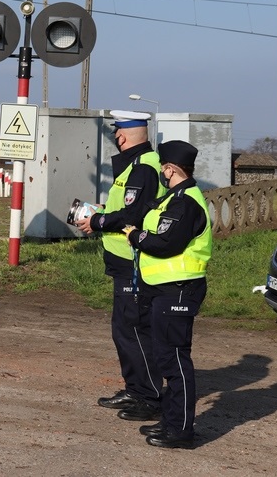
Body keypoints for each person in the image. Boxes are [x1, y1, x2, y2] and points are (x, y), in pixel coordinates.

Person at [74, 110, 165, 422]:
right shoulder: (142, 166)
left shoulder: (142, 169)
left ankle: (148, 398)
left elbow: (131, 216)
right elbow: (127, 208)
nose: (116, 137)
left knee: (134, 330)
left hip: (134, 263)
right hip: (127, 261)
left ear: (121, 136)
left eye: (116, 133)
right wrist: (102, 211)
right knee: (126, 329)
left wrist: (97, 221)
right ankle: (137, 389)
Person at [123, 139, 211, 450]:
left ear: (171, 169)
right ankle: (172, 421)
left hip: (178, 291)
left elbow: (163, 243)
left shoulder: (185, 203)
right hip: (166, 290)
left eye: (163, 168)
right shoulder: (174, 198)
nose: (161, 172)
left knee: (175, 361)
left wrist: (135, 236)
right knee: (166, 358)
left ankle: (181, 432)